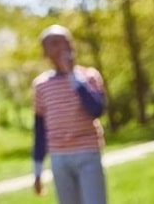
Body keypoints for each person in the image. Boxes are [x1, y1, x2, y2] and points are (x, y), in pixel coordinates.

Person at [32, 24, 107, 204]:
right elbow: (40, 130)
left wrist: (73, 77)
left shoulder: (89, 77)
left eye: (65, 42)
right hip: (59, 158)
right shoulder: (41, 85)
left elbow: (96, 109)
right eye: (54, 44)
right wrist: (37, 171)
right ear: (45, 52)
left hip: (87, 152)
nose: (61, 48)